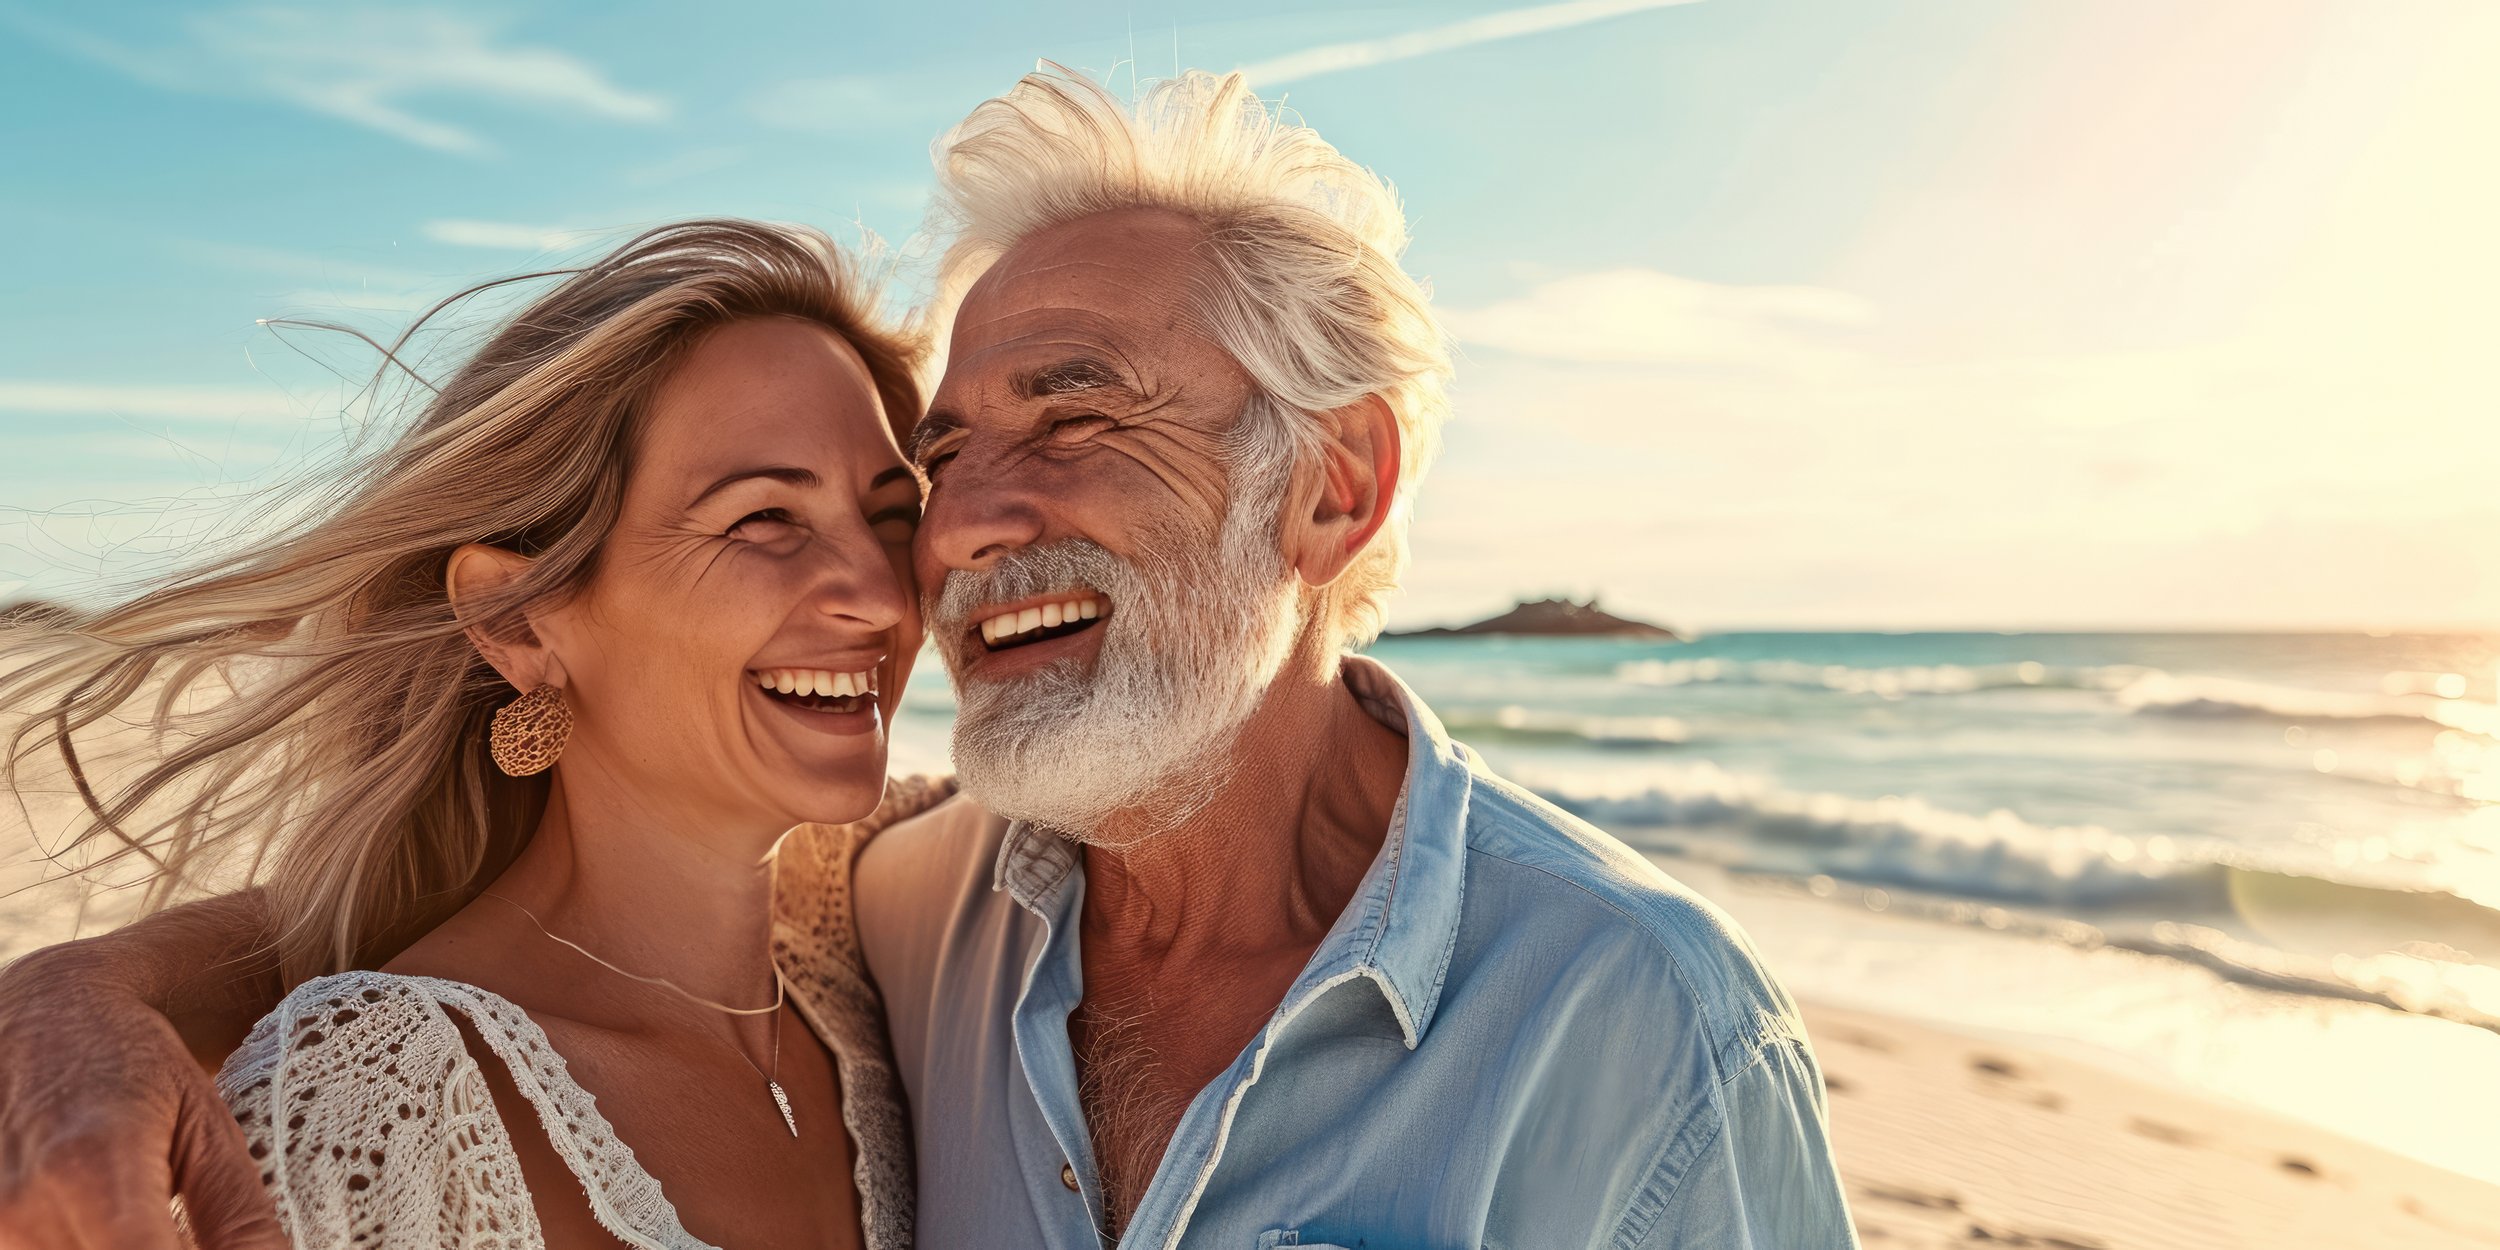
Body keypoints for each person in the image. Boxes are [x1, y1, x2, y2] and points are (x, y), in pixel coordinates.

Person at [0, 68, 1859, 1250]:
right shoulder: (911, 913)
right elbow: (447, 944)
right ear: (518, 616)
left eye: (1076, 414)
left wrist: (84, 991)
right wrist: (79, 998)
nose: (944, 543)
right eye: (948, 458)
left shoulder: (1648, 1032)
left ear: (1335, 488)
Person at [0, 219, 942, 1249]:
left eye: (893, 515)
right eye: (763, 517)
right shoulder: (381, 1090)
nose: (879, 598)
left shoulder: (875, 955)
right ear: (516, 620)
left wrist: (84, 980)